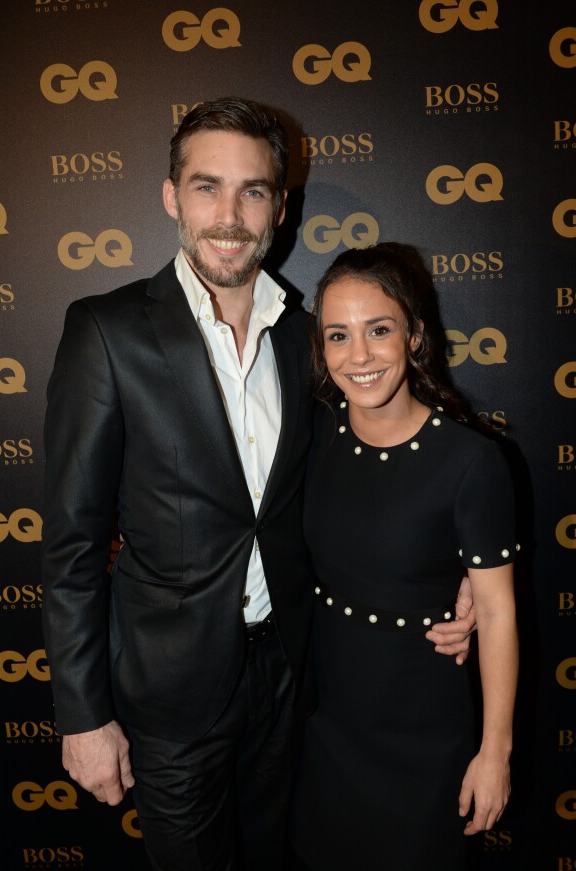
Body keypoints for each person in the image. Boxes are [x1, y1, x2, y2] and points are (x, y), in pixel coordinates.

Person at [41, 98, 475, 871]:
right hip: (169, 695)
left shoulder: (310, 342)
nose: (229, 215)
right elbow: (73, 541)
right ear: (172, 197)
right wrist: (82, 715)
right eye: (208, 187)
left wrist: (465, 571)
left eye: (252, 191)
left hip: (295, 681)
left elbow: (372, 472)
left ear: (279, 206)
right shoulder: (105, 332)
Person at [288, 242, 519, 871]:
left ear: (414, 336)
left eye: (379, 330)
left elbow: (496, 615)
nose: (358, 356)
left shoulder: (472, 463)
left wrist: (493, 753)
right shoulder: (313, 433)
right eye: (338, 335)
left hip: (424, 729)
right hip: (325, 724)